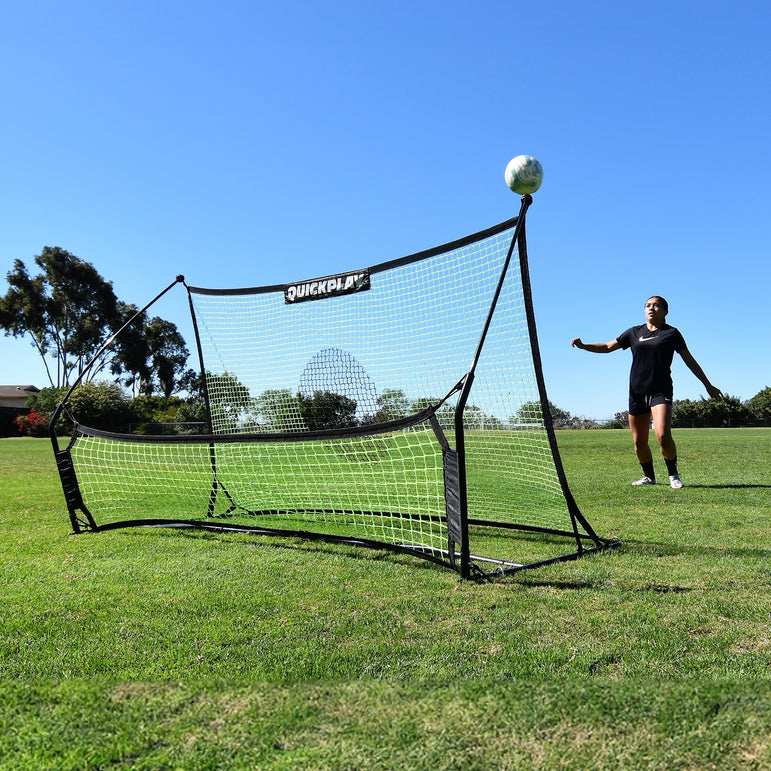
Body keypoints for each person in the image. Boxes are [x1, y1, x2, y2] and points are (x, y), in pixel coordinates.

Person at [571, 296, 723, 489]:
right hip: (636, 392)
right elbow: (608, 347)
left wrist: (707, 385)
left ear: (665, 311)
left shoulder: (672, 333)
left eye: (657, 305)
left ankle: (673, 474)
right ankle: (649, 476)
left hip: (660, 391)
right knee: (639, 442)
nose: (652, 308)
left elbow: (689, 360)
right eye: (648, 306)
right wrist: (584, 346)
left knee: (662, 435)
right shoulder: (634, 332)